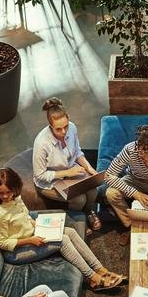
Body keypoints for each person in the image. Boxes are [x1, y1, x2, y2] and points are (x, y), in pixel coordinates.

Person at [0, 167, 126, 291]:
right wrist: (29, 240)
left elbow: (25, 217)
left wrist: (39, 225)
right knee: (62, 241)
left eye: (9, 192)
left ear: (15, 188)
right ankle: (93, 278)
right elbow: (0, 242)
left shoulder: (16, 199)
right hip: (15, 252)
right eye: (0, 193)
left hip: (32, 234)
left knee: (70, 231)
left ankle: (100, 269)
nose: (6, 196)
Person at [32, 97, 102, 232]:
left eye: (66, 126)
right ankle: (78, 221)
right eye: (58, 129)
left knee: (93, 190)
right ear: (50, 126)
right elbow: (39, 175)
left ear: (68, 119)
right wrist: (67, 173)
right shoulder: (41, 143)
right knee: (79, 199)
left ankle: (88, 213)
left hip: (70, 173)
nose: (63, 132)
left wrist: (89, 169)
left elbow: (77, 153)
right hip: (49, 182)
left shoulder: (72, 128)